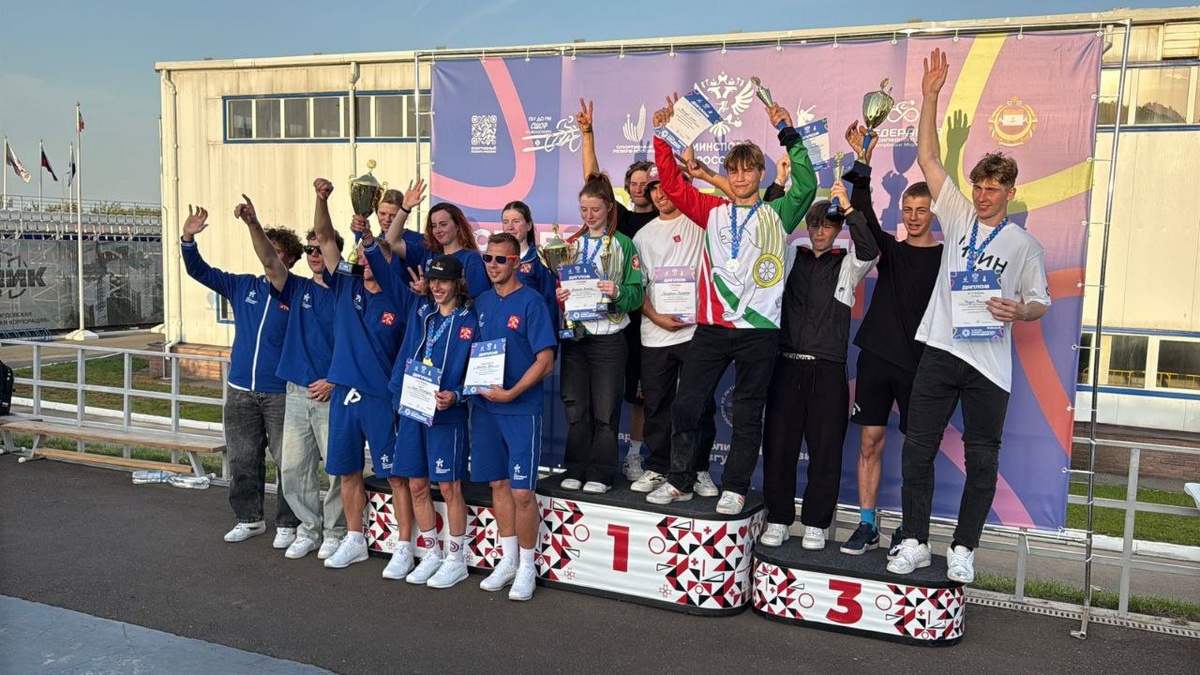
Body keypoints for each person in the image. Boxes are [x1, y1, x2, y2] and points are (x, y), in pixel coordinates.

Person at [887, 49, 1050, 584]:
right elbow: (929, 159)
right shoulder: (956, 214)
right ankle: (914, 541)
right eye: (978, 186)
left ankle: (963, 548)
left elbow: (1040, 302)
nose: (981, 195)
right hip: (941, 349)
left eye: (992, 189)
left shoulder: (1024, 245)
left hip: (988, 366)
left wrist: (1020, 309)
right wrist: (930, 96)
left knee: (982, 459)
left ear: (1010, 193)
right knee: (918, 450)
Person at [645, 96, 816, 515]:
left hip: (759, 330)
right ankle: (680, 479)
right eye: (733, 170)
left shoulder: (778, 213)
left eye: (748, 170)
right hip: (713, 327)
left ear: (761, 173)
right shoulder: (712, 210)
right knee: (687, 404)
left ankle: (735, 487)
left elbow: (808, 185)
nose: (740, 177)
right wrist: (664, 138)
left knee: (747, 412)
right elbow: (673, 186)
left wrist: (788, 133)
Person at [758, 151, 879, 550]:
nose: (820, 231)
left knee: (826, 450)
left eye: (828, 225)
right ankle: (778, 518)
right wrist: (778, 185)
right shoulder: (791, 254)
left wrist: (848, 208)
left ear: (837, 227)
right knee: (779, 446)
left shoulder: (848, 264)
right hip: (786, 364)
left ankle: (815, 523)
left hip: (828, 369)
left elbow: (871, 251)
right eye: (814, 224)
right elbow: (768, 227)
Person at [840, 123, 943, 557]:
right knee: (870, 443)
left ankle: (910, 530)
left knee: (917, 453)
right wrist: (862, 162)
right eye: (907, 209)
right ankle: (866, 525)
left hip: (921, 365)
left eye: (922, 209)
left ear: (934, 213)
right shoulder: (892, 250)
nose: (913, 216)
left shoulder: (947, 258)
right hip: (877, 359)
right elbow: (862, 215)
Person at [181, 204, 303, 546]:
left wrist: (252, 223)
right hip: (240, 390)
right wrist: (188, 237)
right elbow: (199, 270)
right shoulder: (242, 285)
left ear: (291, 260)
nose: (270, 257)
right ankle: (249, 519)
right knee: (242, 457)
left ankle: (288, 523)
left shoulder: (297, 291)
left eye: (278, 252)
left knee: (288, 461)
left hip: (280, 392)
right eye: (268, 249)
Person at [311, 178, 415, 576]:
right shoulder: (344, 286)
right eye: (362, 256)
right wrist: (322, 199)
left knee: (396, 476)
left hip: (380, 399)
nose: (365, 262)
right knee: (348, 472)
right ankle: (355, 538)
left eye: (373, 257)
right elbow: (324, 237)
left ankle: (404, 545)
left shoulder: (399, 298)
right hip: (344, 396)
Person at [237, 195, 348, 560]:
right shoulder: (297, 287)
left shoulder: (346, 292)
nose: (313, 254)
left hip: (331, 393)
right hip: (297, 393)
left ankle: (336, 531)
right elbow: (270, 261)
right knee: (293, 468)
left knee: (337, 469)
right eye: (309, 249)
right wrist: (253, 223)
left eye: (319, 249)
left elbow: (354, 345)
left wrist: (334, 380)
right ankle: (309, 529)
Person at [367, 249, 478, 590]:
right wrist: (369, 242)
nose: (437, 287)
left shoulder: (471, 320)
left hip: (447, 412)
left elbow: (481, 370)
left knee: (449, 486)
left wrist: (456, 395)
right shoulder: (421, 311)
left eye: (444, 281)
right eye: (433, 281)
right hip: (414, 408)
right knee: (416, 483)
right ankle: (431, 552)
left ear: (458, 283)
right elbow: (387, 278)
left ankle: (456, 559)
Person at [471, 233, 557, 601]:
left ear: (516, 263)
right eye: (487, 258)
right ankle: (507, 560)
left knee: (522, 491)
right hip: (485, 409)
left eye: (500, 259)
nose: (492, 265)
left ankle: (527, 566)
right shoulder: (481, 302)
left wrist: (512, 392)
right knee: (499, 485)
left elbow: (546, 361)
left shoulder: (532, 302)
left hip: (520, 409)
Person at [577, 99, 658, 480]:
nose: (640, 189)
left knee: (645, 393)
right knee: (602, 394)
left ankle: (637, 455)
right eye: (635, 184)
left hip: (655, 319)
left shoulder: (667, 216)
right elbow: (592, 181)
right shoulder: (619, 219)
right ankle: (593, 461)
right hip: (617, 318)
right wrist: (587, 135)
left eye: (647, 184)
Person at [629, 166, 718, 497]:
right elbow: (636, 288)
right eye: (654, 188)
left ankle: (699, 468)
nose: (660, 193)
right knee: (656, 405)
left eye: (667, 185)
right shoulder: (642, 236)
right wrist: (656, 317)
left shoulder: (702, 223)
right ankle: (658, 467)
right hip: (655, 333)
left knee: (700, 405)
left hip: (697, 333)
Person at [555, 173, 644, 494]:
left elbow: (637, 294)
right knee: (576, 408)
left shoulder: (623, 245)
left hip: (609, 338)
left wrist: (617, 291)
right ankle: (575, 467)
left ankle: (602, 473)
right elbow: (563, 287)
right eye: (583, 209)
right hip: (577, 336)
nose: (589, 215)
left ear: (608, 207)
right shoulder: (570, 246)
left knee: (605, 410)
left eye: (595, 209)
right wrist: (562, 296)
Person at [385, 200, 490, 299]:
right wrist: (405, 208)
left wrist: (431, 294)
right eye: (434, 226)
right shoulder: (427, 252)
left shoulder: (471, 258)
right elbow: (391, 242)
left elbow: (478, 300)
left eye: (443, 224)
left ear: (458, 226)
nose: (438, 230)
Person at [501, 200, 558, 323]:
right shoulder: (495, 260)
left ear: (528, 225)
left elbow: (549, 300)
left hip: (531, 326)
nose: (510, 227)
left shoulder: (540, 259)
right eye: (505, 222)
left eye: (516, 221)